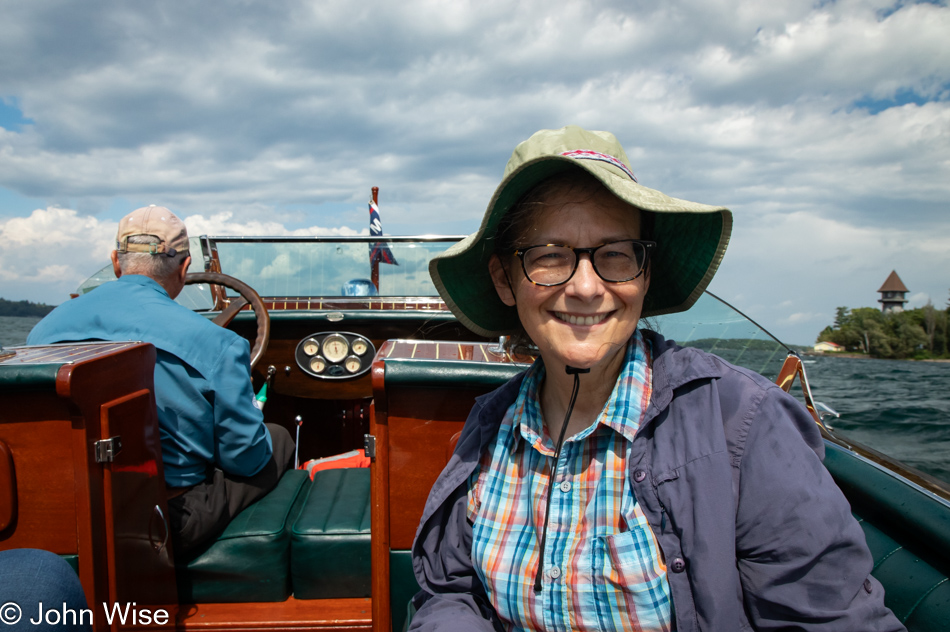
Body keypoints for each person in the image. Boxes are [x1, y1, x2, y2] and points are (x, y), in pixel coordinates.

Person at [412, 127, 904, 631]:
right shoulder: (491, 425)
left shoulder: (743, 423)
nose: (585, 287)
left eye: (616, 254)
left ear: (644, 274)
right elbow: (453, 593)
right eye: (549, 254)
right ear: (504, 280)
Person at [28, 205, 294, 560]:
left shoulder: (41, 332)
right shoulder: (219, 343)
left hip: (68, 512)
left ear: (116, 262)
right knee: (275, 440)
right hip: (163, 521)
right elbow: (243, 459)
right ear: (184, 269)